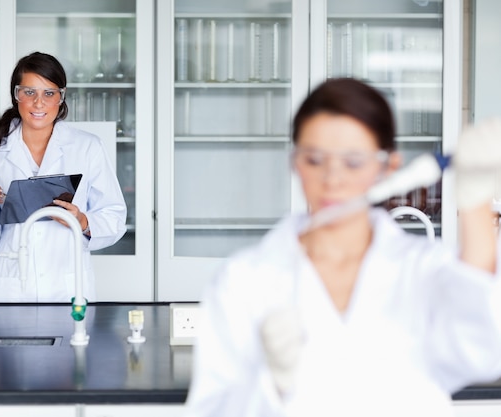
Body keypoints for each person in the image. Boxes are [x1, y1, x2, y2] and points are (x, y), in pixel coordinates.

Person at [185, 78, 501, 416]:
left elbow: (483, 353)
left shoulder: (422, 268)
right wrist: (271, 387)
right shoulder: (246, 279)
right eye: (315, 160)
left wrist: (476, 202)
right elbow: (209, 409)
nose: (332, 179)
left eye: (353, 162)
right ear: (295, 162)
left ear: (388, 166)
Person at [0, 52, 126, 302]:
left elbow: (114, 217)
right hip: (10, 287)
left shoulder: (87, 147)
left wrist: (81, 221)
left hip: (68, 286)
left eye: (49, 93)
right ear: (16, 96)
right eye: (29, 92)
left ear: (61, 97)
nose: (39, 103)